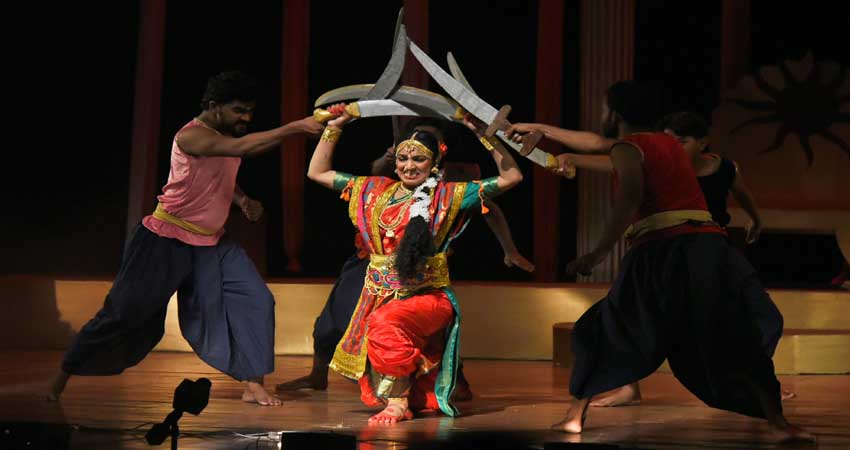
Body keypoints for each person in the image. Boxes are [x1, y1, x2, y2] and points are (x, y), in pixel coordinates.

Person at [505, 81, 814, 443]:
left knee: (606, 327)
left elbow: (628, 197)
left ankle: (575, 416)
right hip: (707, 248)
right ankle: (778, 422)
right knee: (731, 329)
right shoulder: (666, 143)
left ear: (614, 114)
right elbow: (596, 144)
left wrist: (597, 253)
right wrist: (540, 130)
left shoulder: (629, 149)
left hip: (664, 249)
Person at [47, 71, 324, 406]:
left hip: (212, 244)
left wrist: (241, 200)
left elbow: (220, 171)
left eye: (250, 111)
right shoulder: (192, 136)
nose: (246, 118)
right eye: (239, 110)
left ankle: (253, 384)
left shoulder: (223, 135)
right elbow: (240, 148)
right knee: (124, 313)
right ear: (214, 106)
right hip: (165, 240)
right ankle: (62, 375)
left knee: (257, 299)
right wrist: (296, 127)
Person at [276, 119, 533, 395]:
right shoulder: (374, 189)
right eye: (403, 158)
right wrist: (335, 127)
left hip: (423, 294)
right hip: (375, 287)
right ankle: (400, 392)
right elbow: (317, 172)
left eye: (419, 159)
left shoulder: (451, 194)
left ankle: (410, 395)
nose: (409, 166)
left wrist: (484, 136)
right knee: (364, 349)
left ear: (435, 161)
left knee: (389, 326)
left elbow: (511, 178)